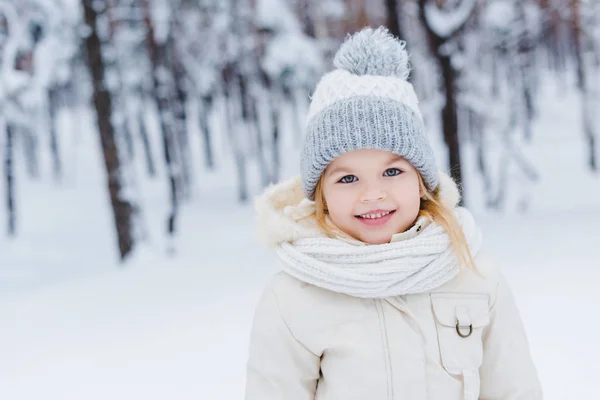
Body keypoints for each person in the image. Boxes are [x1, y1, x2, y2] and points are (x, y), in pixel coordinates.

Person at [245, 26, 542, 400]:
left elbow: (514, 389)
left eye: (392, 172)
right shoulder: (293, 297)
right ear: (321, 194)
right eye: (348, 177)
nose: (372, 194)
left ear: (421, 181)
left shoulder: (472, 273)